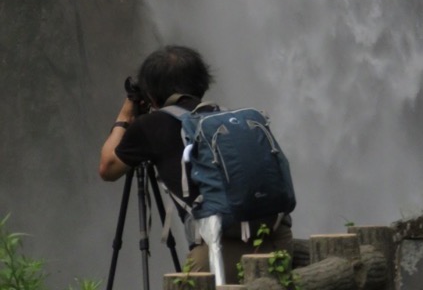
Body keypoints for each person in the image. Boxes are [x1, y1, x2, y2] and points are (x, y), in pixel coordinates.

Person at [99, 44, 293, 283]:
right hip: (279, 241)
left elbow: (108, 168)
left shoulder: (151, 126)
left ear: (151, 94)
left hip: (217, 257)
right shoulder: (225, 117)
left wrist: (126, 113)